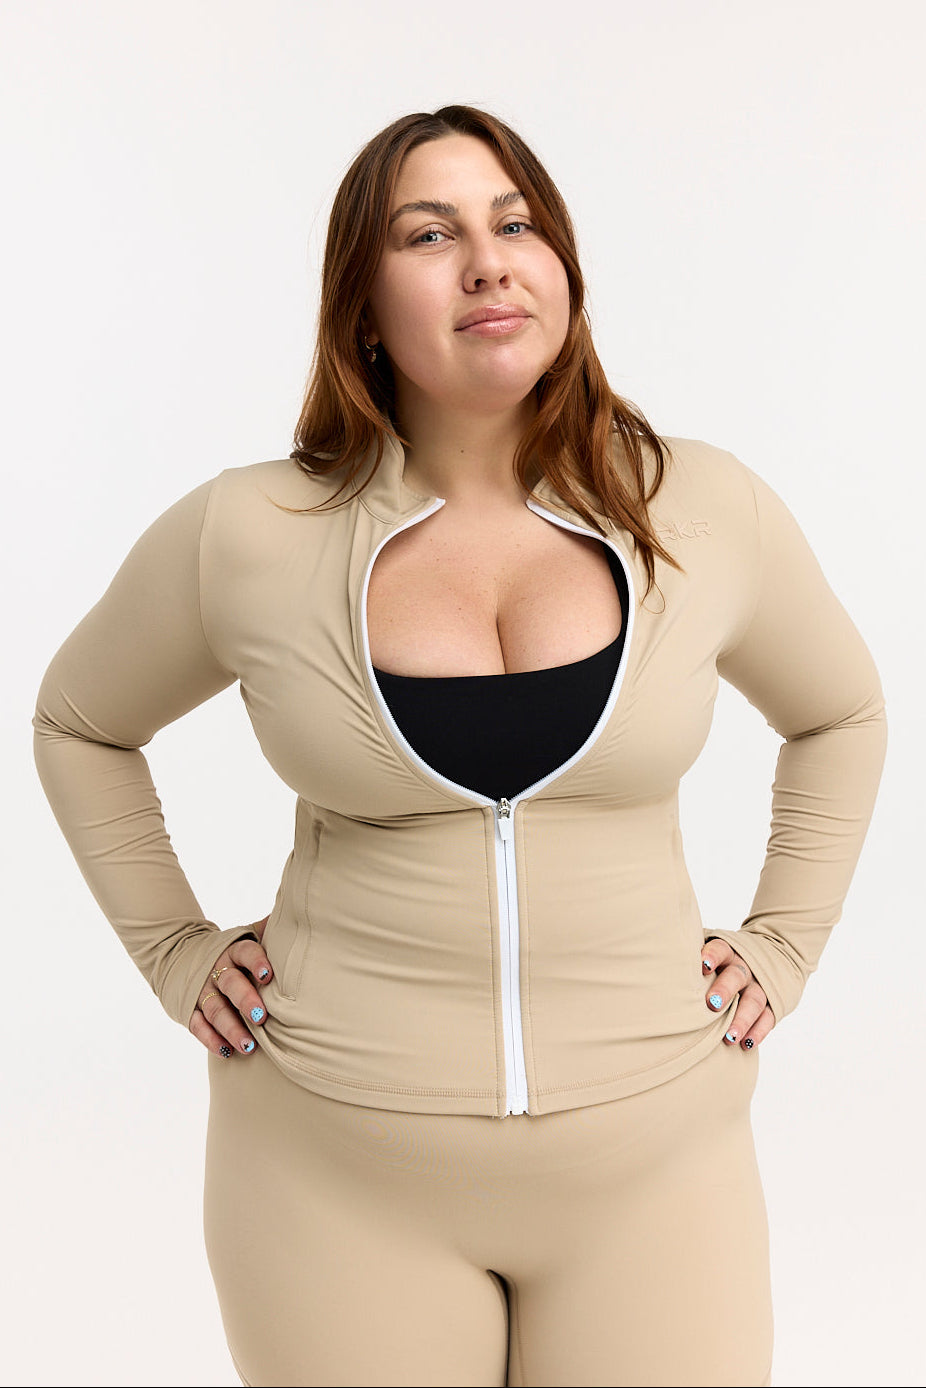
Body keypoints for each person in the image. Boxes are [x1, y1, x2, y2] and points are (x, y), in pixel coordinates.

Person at [32, 104, 886, 1388]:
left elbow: (840, 713)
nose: (488, 262)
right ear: (364, 308)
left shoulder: (700, 505)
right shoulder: (249, 531)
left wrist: (784, 941)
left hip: (656, 1170)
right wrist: (172, 947)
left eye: (516, 224)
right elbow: (80, 722)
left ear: (560, 269)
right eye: (429, 235)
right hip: (331, 1177)